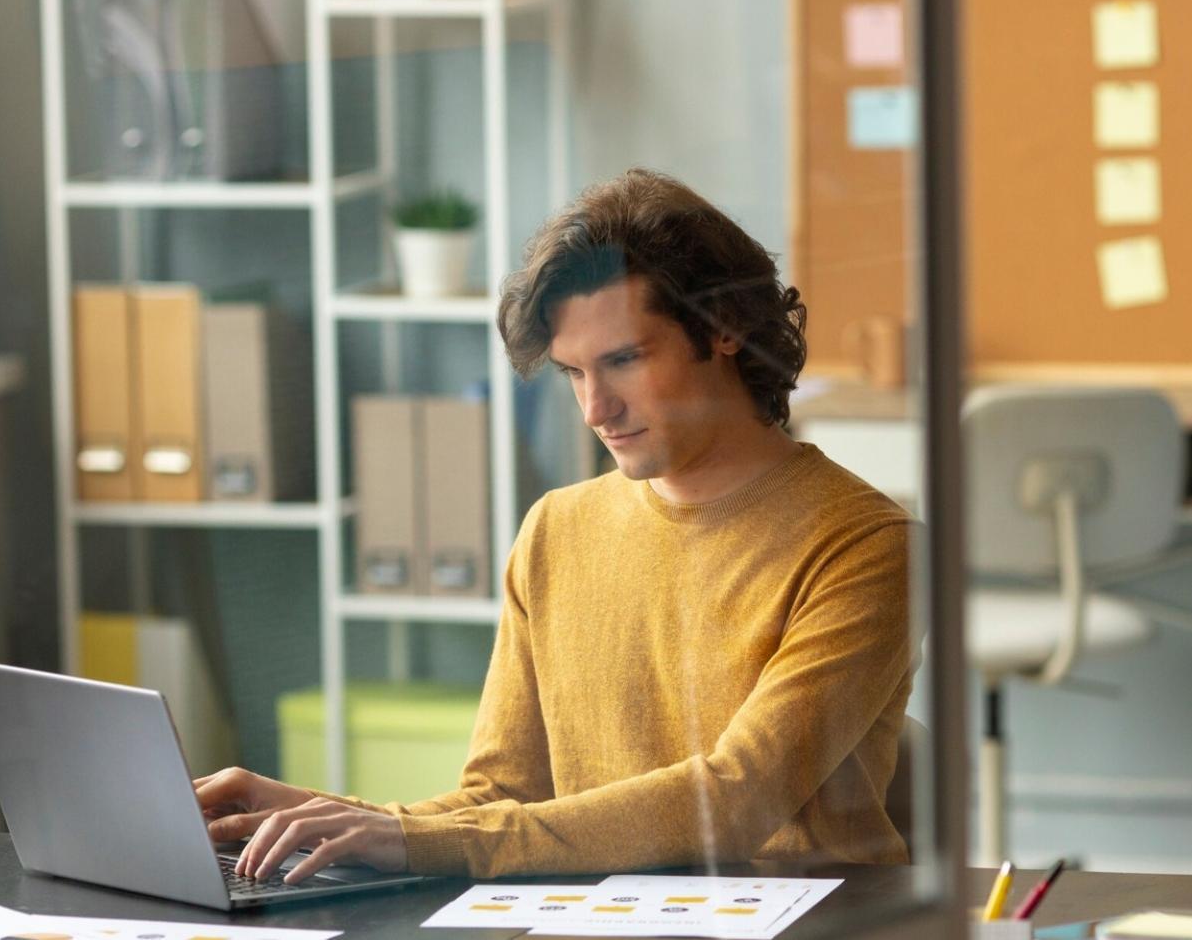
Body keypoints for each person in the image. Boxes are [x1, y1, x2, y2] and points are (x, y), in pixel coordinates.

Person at [194, 168, 914, 884]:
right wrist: (323, 818)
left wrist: (403, 837)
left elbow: (734, 801)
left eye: (623, 360)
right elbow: (498, 801)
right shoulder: (556, 528)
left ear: (723, 327)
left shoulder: (865, 544)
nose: (596, 409)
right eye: (573, 373)